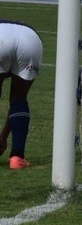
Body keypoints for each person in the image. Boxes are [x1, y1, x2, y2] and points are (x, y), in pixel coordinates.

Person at [0, 20, 42, 170]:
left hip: (2, 39)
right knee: (19, 99)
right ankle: (17, 158)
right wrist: (3, 136)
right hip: (31, 39)